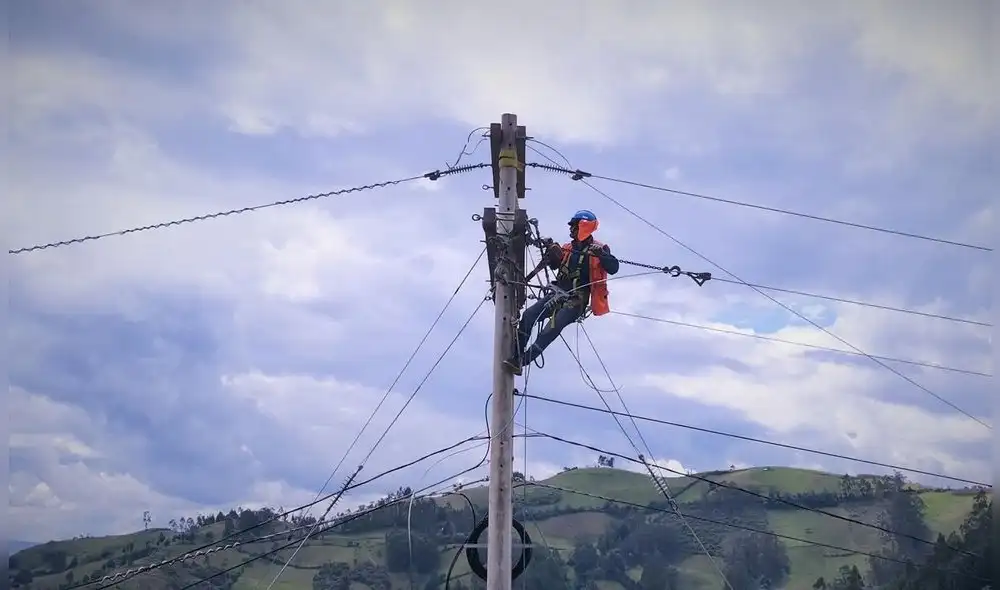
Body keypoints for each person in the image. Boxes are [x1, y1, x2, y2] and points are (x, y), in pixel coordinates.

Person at [504, 209, 619, 375]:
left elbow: (614, 268)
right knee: (529, 315)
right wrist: (551, 251)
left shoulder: (600, 249)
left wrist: (602, 256)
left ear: (583, 226)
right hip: (557, 292)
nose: (571, 230)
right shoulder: (567, 248)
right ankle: (515, 354)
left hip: (576, 300)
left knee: (552, 327)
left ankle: (522, 361)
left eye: (574, 226)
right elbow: (555, 264)